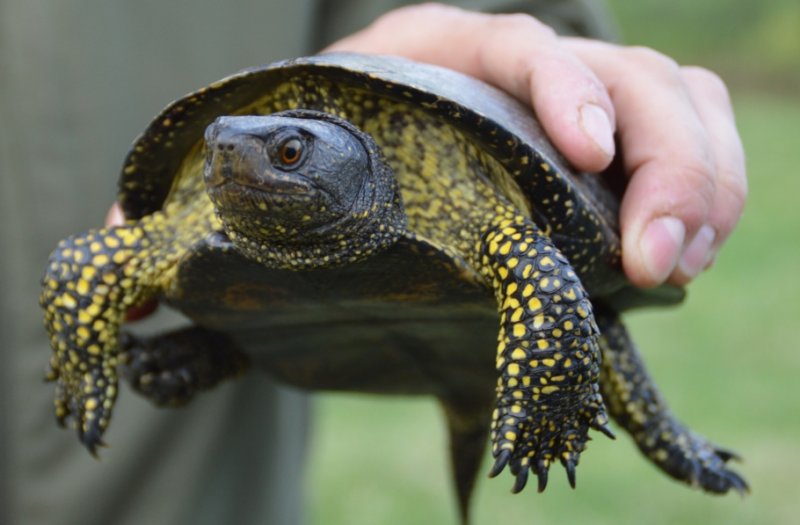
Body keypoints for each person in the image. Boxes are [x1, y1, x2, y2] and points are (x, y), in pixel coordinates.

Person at [1, 2, 746, 524]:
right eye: (220, 148)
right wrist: (82, 364)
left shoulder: (453, 190)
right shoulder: (204, 203)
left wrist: (539, 37)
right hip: (256, 358)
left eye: (286, 153)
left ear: (352, 163)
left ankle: (662, 433)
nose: (230, 159)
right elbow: (85, 266)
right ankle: (211, 349)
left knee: (578, 309)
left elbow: (546, 272)